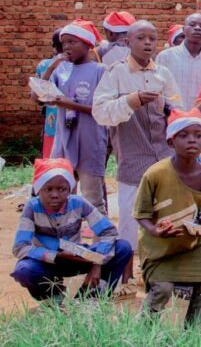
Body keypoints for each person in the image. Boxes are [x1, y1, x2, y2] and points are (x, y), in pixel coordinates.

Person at [92, 20, 182, 293]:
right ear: (127, 43)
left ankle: (158, 272)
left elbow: (178, 107)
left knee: (166, 212)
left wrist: (167, 106)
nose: (147, 43)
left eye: (152, 39)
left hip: (164, 154)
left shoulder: (163, 73)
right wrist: (132, 100)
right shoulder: (116, 73)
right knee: (132, 217)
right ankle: (127, 277)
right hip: (132, 154)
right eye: (140, 38)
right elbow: (100, 111)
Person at [134, 109, 201, 327]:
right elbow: (141, 214)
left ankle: (196, 331)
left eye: (198, 135)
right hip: (159, 246)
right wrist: (155, 231)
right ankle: (143, 330)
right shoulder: (155, 174)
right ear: (171, 142)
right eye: (184, 135)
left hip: (192, 244)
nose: (192, 140)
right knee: (163, 288)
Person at [11, 158, 132, 305]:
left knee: (123, 248)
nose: (55, 195)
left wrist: (96, 263)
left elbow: (108, 232)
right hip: (47, 262)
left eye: (61, 189)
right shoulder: (32, 208)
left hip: (77, 258)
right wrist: (55, 256)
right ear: (38, 190)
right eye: (48, 189)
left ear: (69, 190)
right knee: (24, 270)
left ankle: (91, 294)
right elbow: (20, 246)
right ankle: (53, 297)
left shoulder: (79, 203)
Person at [42, 20, 109, 214]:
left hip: (90, 140)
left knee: (92, 197)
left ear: (88, 45)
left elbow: (100, 109)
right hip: (63, 139)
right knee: (62, 192)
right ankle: (67, 238)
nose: (67, 47)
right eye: (64, 43)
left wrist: (67, 104)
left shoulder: (100, 71)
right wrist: (50, 68)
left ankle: (102, 240)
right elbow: (39, 95)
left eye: (72, 42)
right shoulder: (61, 71)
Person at [156, 13, 201, 113]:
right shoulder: (165, 57)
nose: (197, 28)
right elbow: (158, 90)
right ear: (183, 30)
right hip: (171, 118)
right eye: (192, 25)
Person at [35, 28, 63, 158]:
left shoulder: (44, 65)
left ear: (53, 47)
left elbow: (36, 98)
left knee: (51, 165)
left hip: (52, 123)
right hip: (72, 125)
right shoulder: (82, 65)